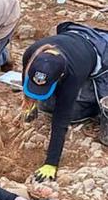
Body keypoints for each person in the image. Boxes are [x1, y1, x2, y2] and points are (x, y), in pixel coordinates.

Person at [21, 22, 108, 182]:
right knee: (45, 104)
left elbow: (62, 118)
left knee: (73, 114)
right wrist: (29, 105)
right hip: (72, 41)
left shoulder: (73, 75)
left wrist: (51, 163)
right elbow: (26, 81)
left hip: (97, 55)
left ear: (61, 76)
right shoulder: (32, 54)